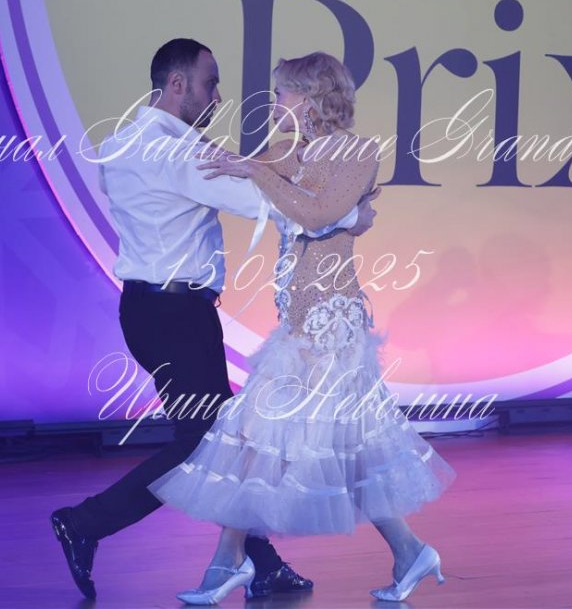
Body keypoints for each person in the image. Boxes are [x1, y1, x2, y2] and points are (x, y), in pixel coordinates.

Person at [49, 39, 379, 600]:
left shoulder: (124, 141)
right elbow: (263, 204)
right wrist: (350, 213)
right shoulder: (174, 152)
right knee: (207, 445)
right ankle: (85, 523)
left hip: (153, 310)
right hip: (175, 314)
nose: (219, 96)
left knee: (220, 441)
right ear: (177, 84)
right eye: (210, 83)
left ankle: (260, 564)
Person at [148, 51, 457, 605]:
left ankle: (227, 562)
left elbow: (315, 213)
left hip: (332, 325)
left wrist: (268, 177)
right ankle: (409, 551)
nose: (275, 103)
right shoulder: (290, 150)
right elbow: (248, 172)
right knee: (325, 444)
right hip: (298, 324)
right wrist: (223, 159)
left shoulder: (356, 152)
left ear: (312, 97)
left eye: (283, 93)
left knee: (272, 436)